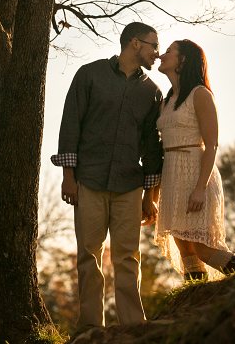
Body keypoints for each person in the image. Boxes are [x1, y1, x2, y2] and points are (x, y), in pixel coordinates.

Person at [52, 22, 164, 330]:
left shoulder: (152, 93)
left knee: (128, 258)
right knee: (89, 256)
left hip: (129, 186)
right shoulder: (89, 75)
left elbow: (152, 149)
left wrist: (148, 196)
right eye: (153, 45)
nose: (157, 52)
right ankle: (91, 327)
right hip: (88, 181)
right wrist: (68, 177)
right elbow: (71, 126)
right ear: (134, 44)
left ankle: (132, 326)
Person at [154, 39, 235, 281]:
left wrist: (200, 188)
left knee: (203, 248)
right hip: (172, 175)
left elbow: (212, 144)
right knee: (185, 248)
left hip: (196, 173)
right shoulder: (166, 101)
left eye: (168, 51)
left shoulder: (200, 94)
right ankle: (197, 300)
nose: (161, 55)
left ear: (183, 60)